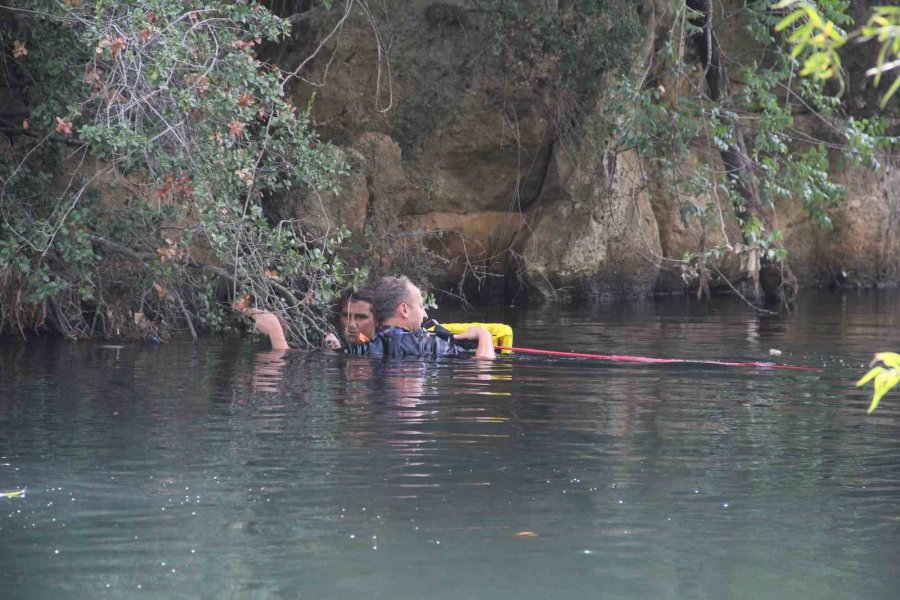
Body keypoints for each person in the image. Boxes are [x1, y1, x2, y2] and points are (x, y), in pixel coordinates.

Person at [371, 276, 496, 359]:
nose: (425, 315)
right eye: (420, 306)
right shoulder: (431, 346)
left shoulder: (364, 345)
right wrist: (483, 334)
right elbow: (484, 364)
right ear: (404, 310)